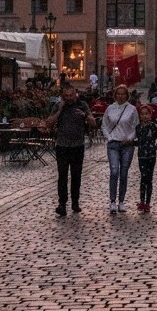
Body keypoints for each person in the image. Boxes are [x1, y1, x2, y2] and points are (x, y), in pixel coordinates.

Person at [45, 84, 96, 217]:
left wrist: (85, 115)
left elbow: (93, 123)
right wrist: (59, 110)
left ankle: (75, 202)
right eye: (66, 96)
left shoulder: (82, 105)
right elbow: (48, 123)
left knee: (76, 175)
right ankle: (62, 204)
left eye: (71, 95)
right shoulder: (58, 106)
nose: (69, 98)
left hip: (77, 146)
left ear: (75, 94)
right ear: (62, 96)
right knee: (62, 176)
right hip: (62, 146)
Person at [101, 84, 139, 212]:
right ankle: (112, 201)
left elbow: (136, 126)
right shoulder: (110, 108)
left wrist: (129, 138)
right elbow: (104, 125)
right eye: (119, 94)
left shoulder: (131, 109)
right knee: (114, 171)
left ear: (127, 95)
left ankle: (121, 201)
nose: (121, 96)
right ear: (115, 95)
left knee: (123, 173)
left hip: (127, 145)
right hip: (113, 144)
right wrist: (109, 137)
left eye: (123, 94)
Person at [134, 105, 157, 211]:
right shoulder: (138, 128)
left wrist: (153, 148)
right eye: (142, 114)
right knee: (143, 177)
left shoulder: (153, 126)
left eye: (146, 114)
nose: (144, 116)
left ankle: (147, 203)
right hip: (141, 156)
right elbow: (139, 142)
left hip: (151, 156)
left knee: (149, 179)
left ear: (150, 115)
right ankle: (142, 201)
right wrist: (130, 143)